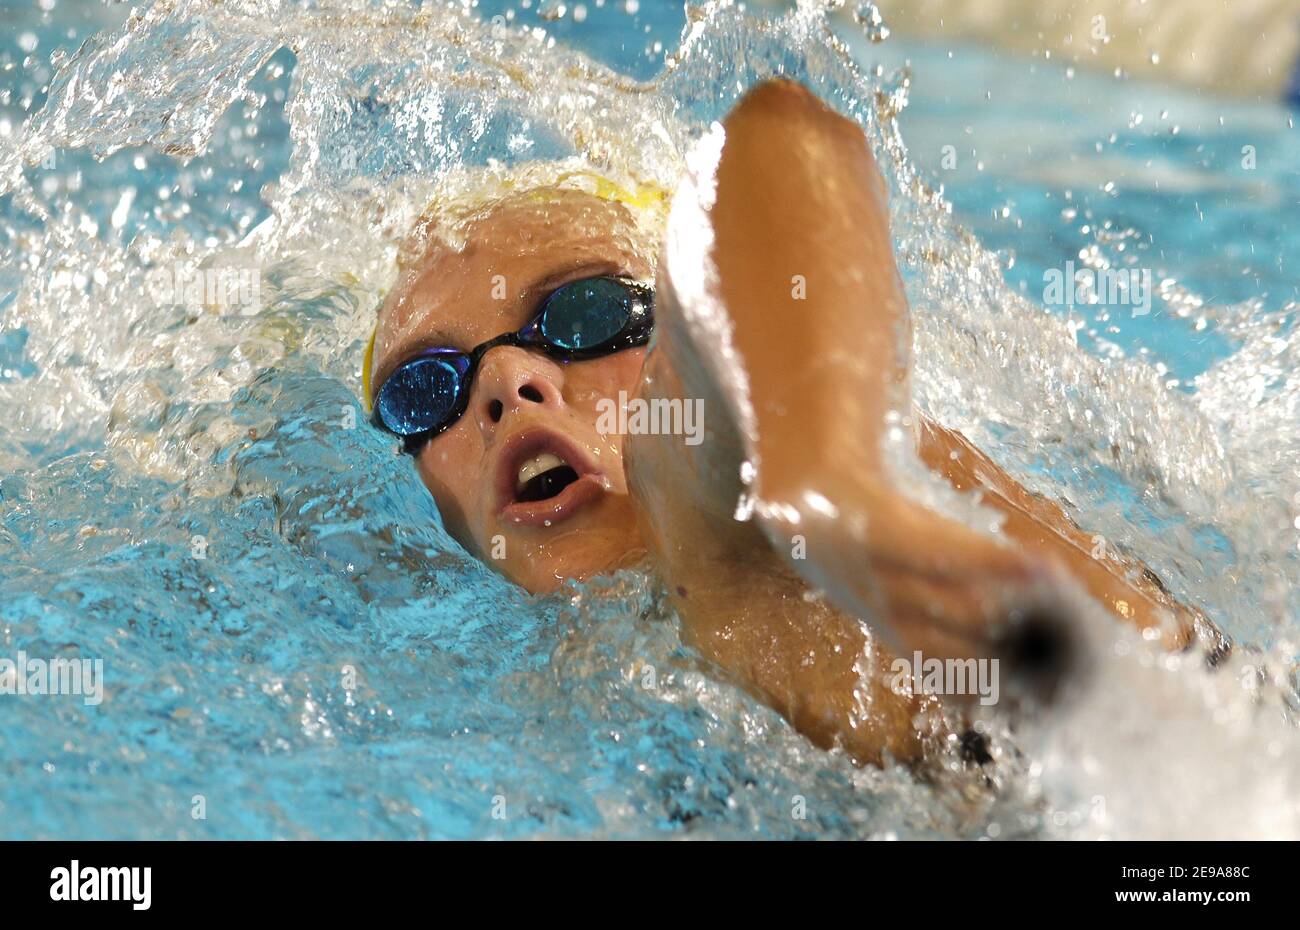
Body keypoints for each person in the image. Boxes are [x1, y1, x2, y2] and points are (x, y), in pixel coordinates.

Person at [364, 79, 1220, 765]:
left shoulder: (717, 498)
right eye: (423, 389)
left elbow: (782, 139)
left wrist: (828, 482)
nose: (510, 380)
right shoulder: (587, 698)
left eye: (585, 312)